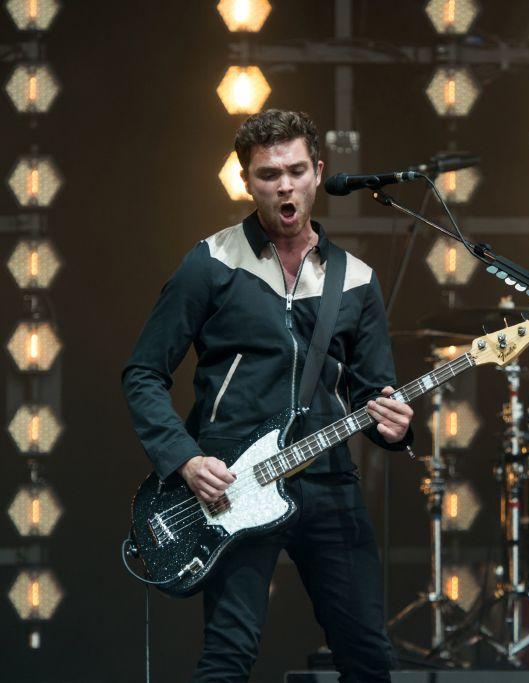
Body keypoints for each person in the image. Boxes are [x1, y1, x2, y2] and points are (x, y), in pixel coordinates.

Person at [122, 109, 412, 681]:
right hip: (231, 482)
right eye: (268, 174)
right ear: (245, 181)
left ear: (318, 171)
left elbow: (374, 391)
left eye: (297, 170)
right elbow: (142, 373)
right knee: (229, 657)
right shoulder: (211, 263)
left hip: (327, 478)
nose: (285, 185)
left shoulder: (355, 278)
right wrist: (184, 458)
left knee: (369, 658)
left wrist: (393, 425)